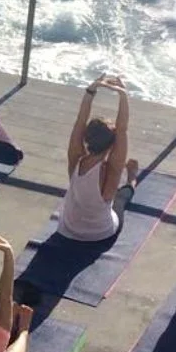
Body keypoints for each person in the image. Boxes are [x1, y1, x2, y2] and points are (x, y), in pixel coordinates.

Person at [57, 74, 138, 241]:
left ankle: (131, 177)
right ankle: (131, 179)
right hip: (99, 234)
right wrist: (123, 94)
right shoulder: (111, 170)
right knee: (120, 199)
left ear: (86, 138)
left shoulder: (76, 159)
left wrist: (91, 90)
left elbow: (80, 120)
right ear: (111, 145)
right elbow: (122, 129)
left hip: (68, 229)